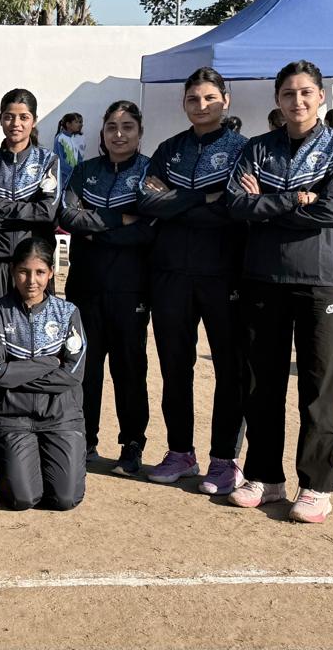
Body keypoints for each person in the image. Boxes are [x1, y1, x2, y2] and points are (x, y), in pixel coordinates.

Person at [224, 59, 333, 524]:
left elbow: (332, 212)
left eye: (305, 92)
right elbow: (236, 205)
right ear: (277, 100)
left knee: (320, 387)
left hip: (321, 281)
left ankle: (317, 484)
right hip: (263, 278)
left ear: (321, 97)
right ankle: (265, 476)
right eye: (287, 93)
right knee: (261, 384)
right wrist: (296, 197)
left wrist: (266, 203)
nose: (296, 101)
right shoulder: (258, 149)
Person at [137, 67, 248, 494]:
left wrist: (176, 201)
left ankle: (224, 459)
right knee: (174, 367)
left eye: (209, 98)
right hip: (170, 275)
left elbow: (233, 208)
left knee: (229, 369)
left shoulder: (242, 150)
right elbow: (148, 202)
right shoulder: (169, 149)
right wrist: (203, 196)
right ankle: (180, 451)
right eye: (193, 99)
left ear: (225, 100)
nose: (201, 106)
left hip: (224, 275)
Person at [58, 100, 155, 476]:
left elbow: (148, 229)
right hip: (85, 286)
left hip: (131, 289)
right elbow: (67, 215)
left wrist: (96, 230)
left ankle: (132, 443)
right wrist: (120, 219)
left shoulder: (150, 172)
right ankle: (85, 438)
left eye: (128, 127)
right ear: (102, 132)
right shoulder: (85, 171)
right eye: (112, 126)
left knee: (130, 368)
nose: (119, 134)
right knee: (86, 367)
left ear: (139, 132)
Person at [0, 237, 87, 511]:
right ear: (12, 271)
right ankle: (9, 463)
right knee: (23, 499)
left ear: (51, 272)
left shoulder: (68, 313)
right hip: (12, 417)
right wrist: (50, 362)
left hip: (60, 417)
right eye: (24, 272)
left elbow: (72, 375)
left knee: (65, 499)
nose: (31, 280)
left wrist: (16, 373)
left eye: (40, 272)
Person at [0, 89, 62, 308]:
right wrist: (26, 219)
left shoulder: (48, 161)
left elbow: (47, 212)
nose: (16, 123)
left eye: (24, 117)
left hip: (34, 267)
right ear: (0, 119)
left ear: (34, 120)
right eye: (9, 116)